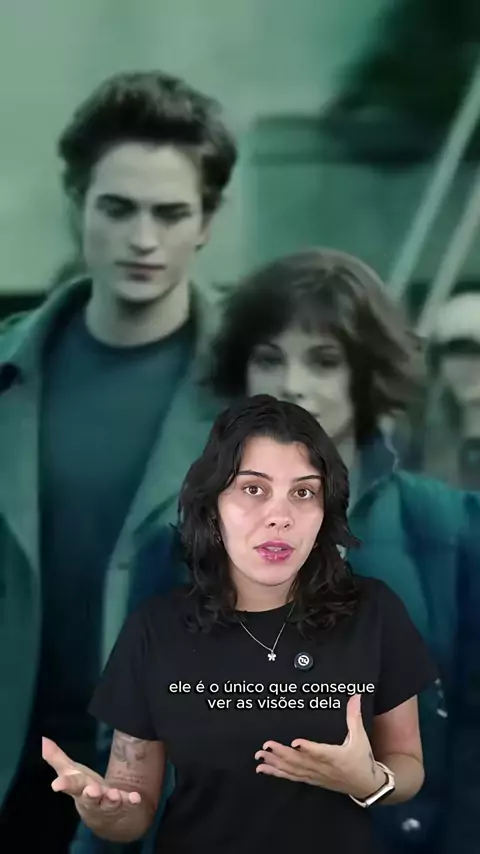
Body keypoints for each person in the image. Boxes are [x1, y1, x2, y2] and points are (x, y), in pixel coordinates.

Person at [0, 69, 236, 852]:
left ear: (206, 222)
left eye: (170, 214)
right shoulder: (10, 373)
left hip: (175, 791)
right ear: (78, 207)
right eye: (118, 209)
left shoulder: (260, 389)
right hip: (15, 779)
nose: (143, 239)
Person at [42, 395, 437, 854]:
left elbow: (408, 763)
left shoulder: (374, 612)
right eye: (253, 489)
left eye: (303, 493)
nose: (280, 516)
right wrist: (104, 812)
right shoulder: (156, 628)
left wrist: (370, 782)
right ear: (212, 507)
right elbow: (133, 802)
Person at [205, 249, 480, 853]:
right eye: (269, 358)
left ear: (366, 375)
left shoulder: (452, 532)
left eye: (324, 361)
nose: (292, 384)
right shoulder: (179, 543)